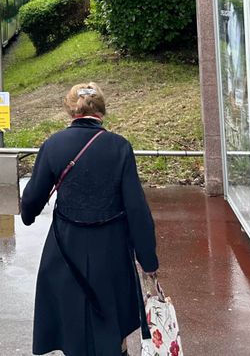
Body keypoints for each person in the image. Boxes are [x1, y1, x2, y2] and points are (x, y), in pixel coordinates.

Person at [21, 83, 159, 356]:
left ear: (70, 110)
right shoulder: (119, 147)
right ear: (102, 112)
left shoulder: (53, 145)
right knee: (111, 326)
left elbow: (31, 202)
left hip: (65, 249)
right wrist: (148, 260)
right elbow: (137, 209)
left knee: (71, 321)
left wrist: (28, 215)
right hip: (111, 250)